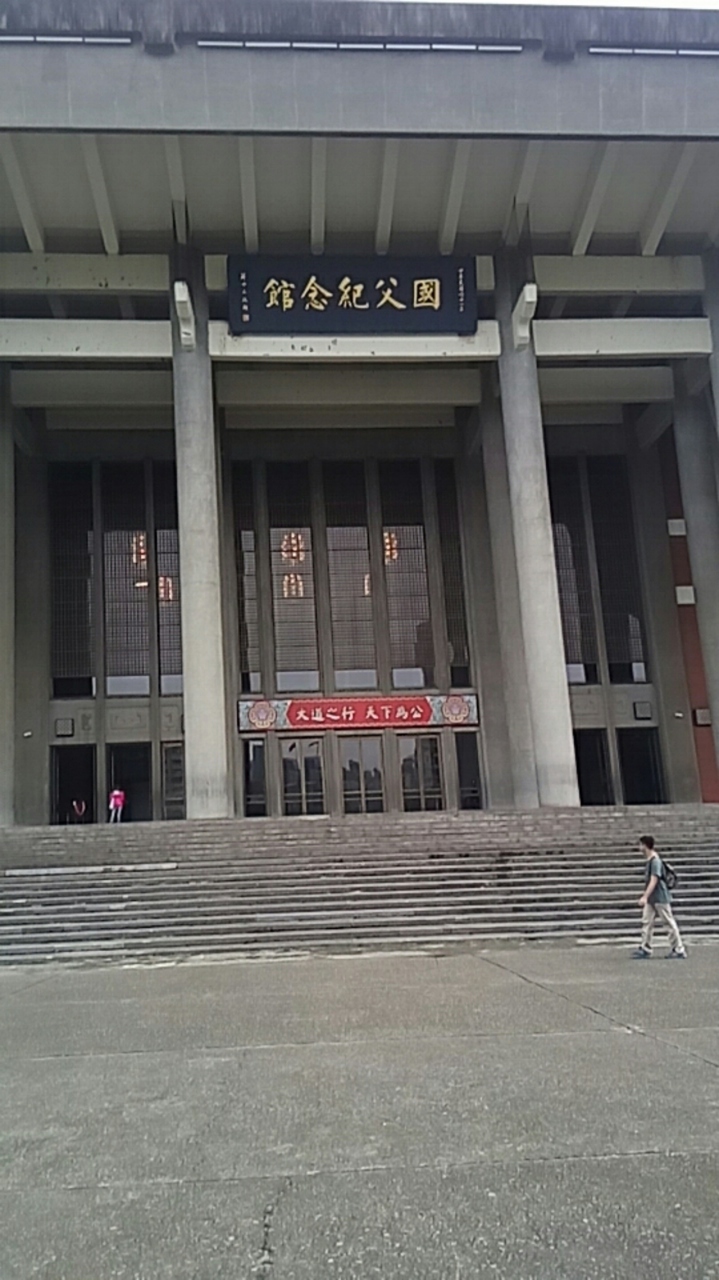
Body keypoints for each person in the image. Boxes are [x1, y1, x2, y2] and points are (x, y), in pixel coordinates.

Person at [632, 835, 686, 960]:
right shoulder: (651, 860)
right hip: (652, 898)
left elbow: (654, 880)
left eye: (640, 845)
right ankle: (645, 947)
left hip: (660, 897)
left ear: (645, 846)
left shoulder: (655, 861)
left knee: (668, 922)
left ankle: (679, 949)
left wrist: (645, 896)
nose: (639, 847)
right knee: (647, 922)